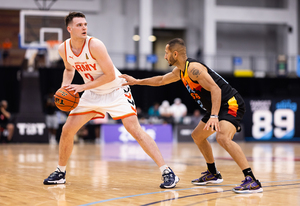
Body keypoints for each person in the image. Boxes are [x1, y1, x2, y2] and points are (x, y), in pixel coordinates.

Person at [43, 12, 179, 189]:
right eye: (79, 25)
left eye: (85, 24)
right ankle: (60, 172)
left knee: (135, 130)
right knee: (67, 129)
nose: (84, 27)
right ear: (69, 29)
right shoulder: (63, 49)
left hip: (116, 89)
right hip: (92, 93)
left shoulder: (95, 45)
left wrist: (81, 87)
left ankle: (167, 171)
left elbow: (109, 75)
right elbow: (69, 70)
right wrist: (65, 88)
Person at [120, 38, 263, 194]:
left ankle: (252, 180)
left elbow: (216, 90)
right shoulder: (180, 71)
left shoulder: (194, 69)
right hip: (218, 107)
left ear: (175, 53)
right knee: (197, 136)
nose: (165, 57)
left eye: (166, 53)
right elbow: (161, 80)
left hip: (230, 103)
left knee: (223, 138)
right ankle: (213, 173)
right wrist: (137, 81)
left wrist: (214, 115)